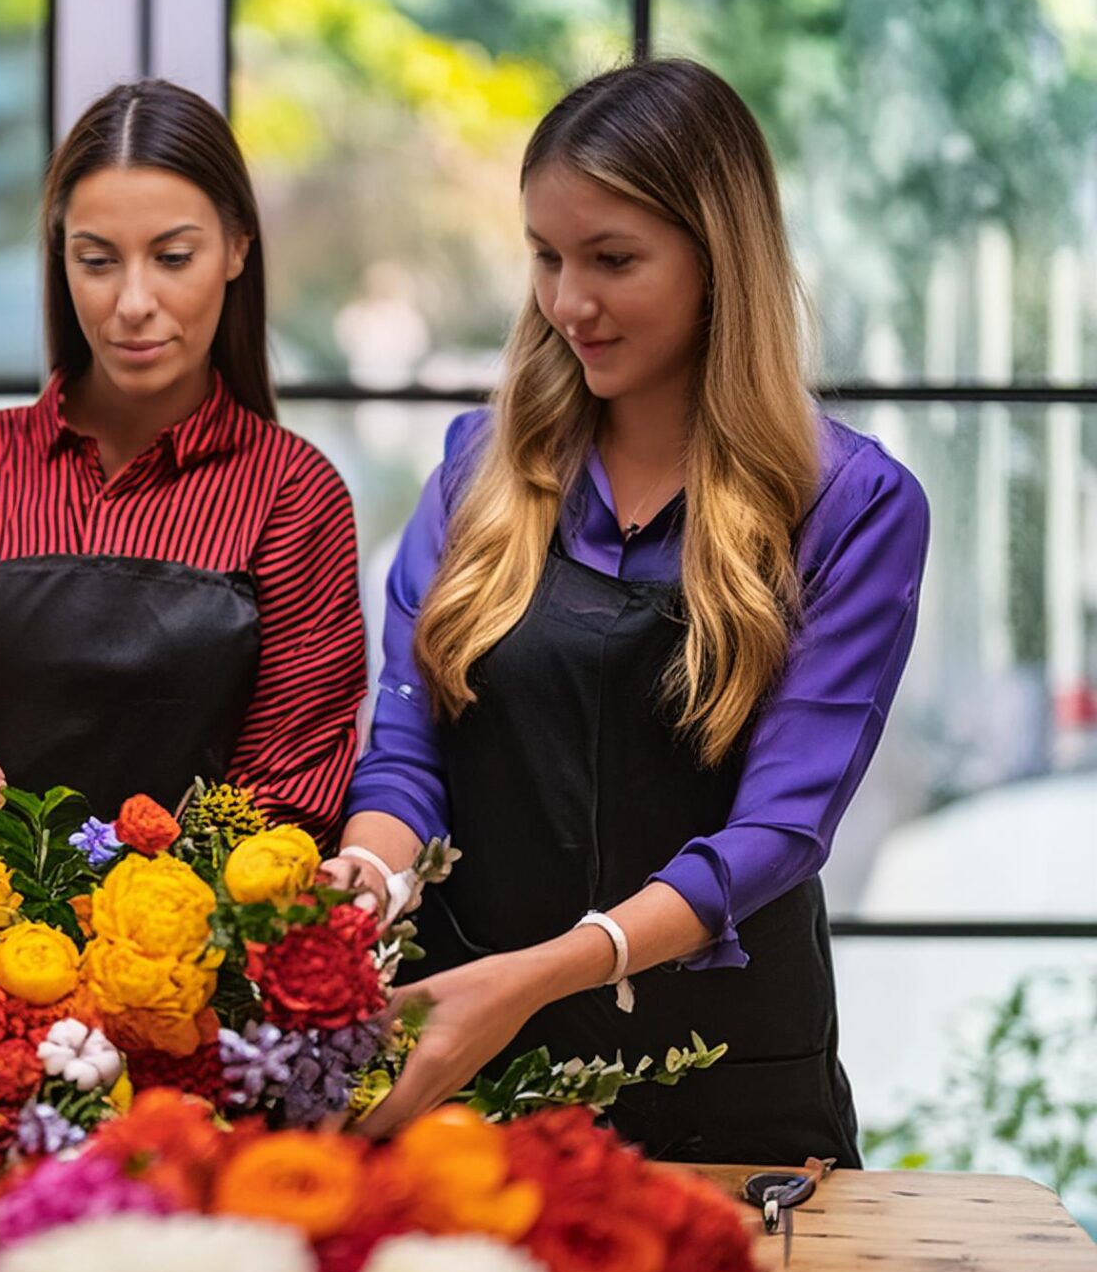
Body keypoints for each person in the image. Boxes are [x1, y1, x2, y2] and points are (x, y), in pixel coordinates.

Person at [327, 59, 928, 1164]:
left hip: (726, 1077)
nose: (567, 303)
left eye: (611, 259)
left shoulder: (852, 504)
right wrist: (358, 880)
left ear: (718, 259)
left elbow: (776, 833)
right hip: (462, 1048)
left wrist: (545, 970)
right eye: (546, 257)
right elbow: (406, 756)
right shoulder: (477, 469)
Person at [0, 79, 366, 845]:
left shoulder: (292, 493)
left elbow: (291, 785)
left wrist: (153, 924)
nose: (134, 301)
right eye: (98, 260)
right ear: (60, 258)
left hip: (199, 947)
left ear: (239, 246)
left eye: (173, 257)